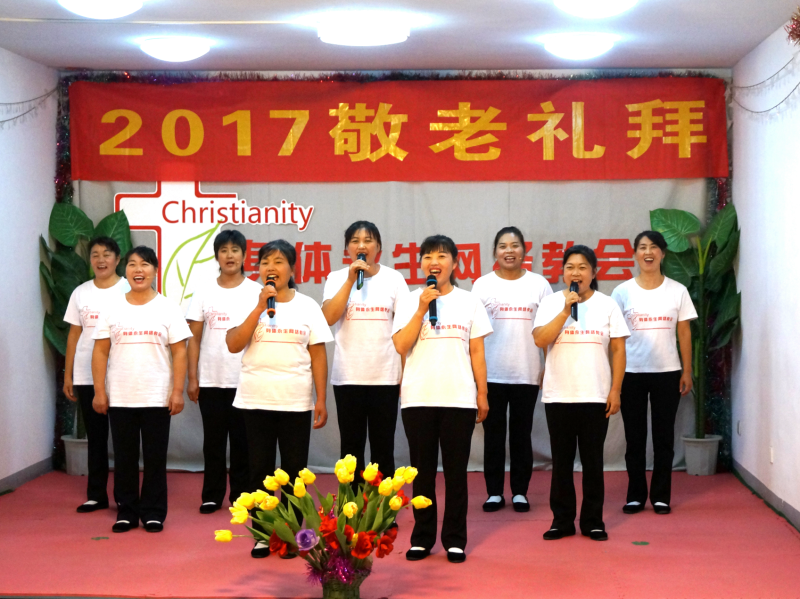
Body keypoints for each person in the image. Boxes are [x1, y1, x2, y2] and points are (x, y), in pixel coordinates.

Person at [226, 240, 333, 559]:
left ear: (292, 268)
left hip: (294, 401)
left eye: (279, 261)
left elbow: (318, 354)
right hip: (255, 399)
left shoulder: (308, 306)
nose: (271, 268)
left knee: (294, 472)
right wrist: (259, 308)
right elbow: (233, 343)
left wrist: (321, 398)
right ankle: (263, 534)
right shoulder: (249, 302)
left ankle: (292, 535)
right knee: (259, 470)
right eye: (265, 262)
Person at [392, 235, 492, 564]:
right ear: (421, 263)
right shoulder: (409, 301)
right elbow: (400, 346)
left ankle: (454, 539)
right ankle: (422, 538)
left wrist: (482, 393)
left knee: (455, 474)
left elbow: (477, 351)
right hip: (418, 398)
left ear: (455, 263)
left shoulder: (469, 301)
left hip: (459, 398)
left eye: (442, 256)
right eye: (428, 256)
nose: (434, 262)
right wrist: (422, 308)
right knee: (422, 473)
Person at [91, 246, 192, 533]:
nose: (139, 270)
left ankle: (153, 512)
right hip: (120, 395)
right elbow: (100, 352)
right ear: (126, 270)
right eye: (133, 264)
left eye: (145, 264)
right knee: (124, 458)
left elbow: (180, 352)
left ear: (155, 271)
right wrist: (99, 391)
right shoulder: (112, 308)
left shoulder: (168, 307)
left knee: (155, 458)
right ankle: (126, 511)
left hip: (156, 396)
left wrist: (177, 391)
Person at [533, 245, 629, 542]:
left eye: (583, 267)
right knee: (561, 462)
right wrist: (565, 310)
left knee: (593, 462)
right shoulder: (551, 303)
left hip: (595, 395)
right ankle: (561, 521)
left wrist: (616, 390)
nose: (576, 272)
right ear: (563, 272)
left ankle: (593, 521)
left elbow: (618, 349)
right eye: (570, 267)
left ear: (594, 272)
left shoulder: (607, 304)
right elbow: (540, 339)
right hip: (559, 395)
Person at [612, 230, 696, 515]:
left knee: (663, 438)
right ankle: (635, 495)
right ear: (635, 254)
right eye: (642, 247)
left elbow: (684, 333)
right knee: (634, 438)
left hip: (667, 372)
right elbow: (615, 339)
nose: (648, 252)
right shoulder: (622, 292)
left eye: (653, 247)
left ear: (663, 253)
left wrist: (687, 370)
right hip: (631, 373)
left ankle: (661, 496)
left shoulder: (677, 290)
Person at [321, 221, 409, 486]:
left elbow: (404, 330)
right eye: (355, 241)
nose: (362, 245)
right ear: (347, 248)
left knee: (383, 448)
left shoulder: (394, 279)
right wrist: (350, 280)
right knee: (351, 450)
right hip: (348, 377)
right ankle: (352, 506)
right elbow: (327, 317)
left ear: (378, 247)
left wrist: (405, 376)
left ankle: (384, 505)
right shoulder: (337, 278)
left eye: (368, 240)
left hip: (385, 376)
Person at [472, 226, 552, 513]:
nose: (509, 251)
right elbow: (473, 333)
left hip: (526, 371)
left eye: (515, 245)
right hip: (490, 373)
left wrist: (547, 366)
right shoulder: (482, 285)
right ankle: (494, 492)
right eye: (503, 246)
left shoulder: (539, 284)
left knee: (521, 435)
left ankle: (520, 491)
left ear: (524, 251)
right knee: (493, 436)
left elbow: (547, 329)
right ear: (494, 252)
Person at [186, 230, 261, 514]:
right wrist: (192, 378)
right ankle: (211, 495)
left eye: (235, 250)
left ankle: (242, 496)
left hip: (247, 379)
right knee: (213, 442)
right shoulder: (204, 291)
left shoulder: (256, 291)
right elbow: (193, 338)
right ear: (216, 256)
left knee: (244, 443)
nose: (230, 255)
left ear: (244, 255)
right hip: (211, 379)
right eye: (224, 250)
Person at [63, 236, 129, 513]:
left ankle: (125, 497)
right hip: (86, 373)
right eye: (95, 255)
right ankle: (96, 495)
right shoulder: (81, 292)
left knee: (124, 439)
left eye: (106, 254)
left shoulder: (128, 288)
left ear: (117, 259)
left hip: (122, 373)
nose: (101, 260)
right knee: (96, 437)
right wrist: (68, 375)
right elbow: (74, 334)